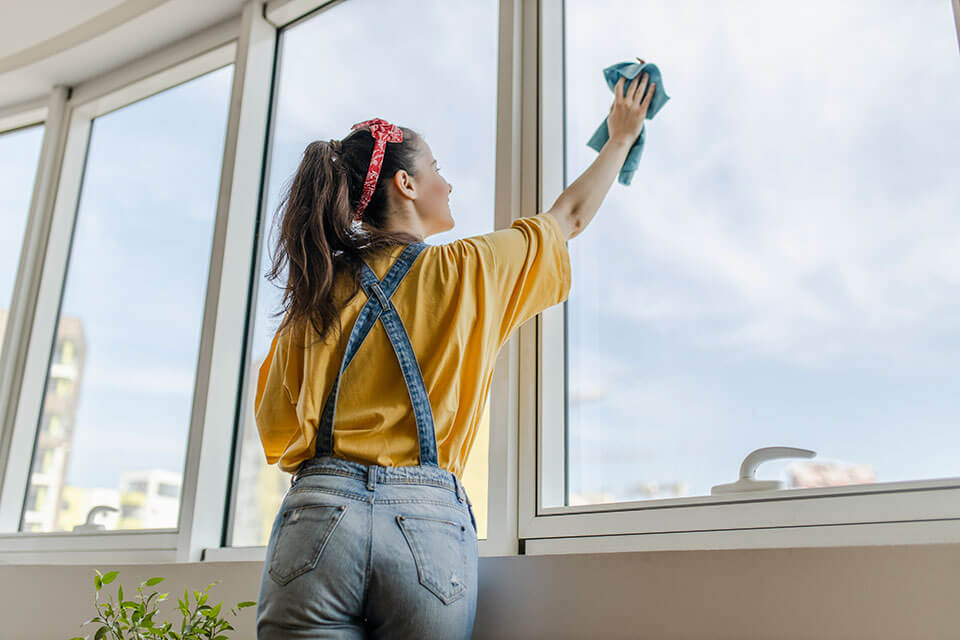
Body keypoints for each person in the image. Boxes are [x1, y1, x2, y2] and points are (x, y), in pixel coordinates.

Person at [254, 73, 656, 639]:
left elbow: (276, 429)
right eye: (436, 169)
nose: (448, 183)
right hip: (425, 522)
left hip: (318, 519)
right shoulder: (469, 270)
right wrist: (620, 138)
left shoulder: (316, 293)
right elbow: (568, 219)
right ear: (407, 184)